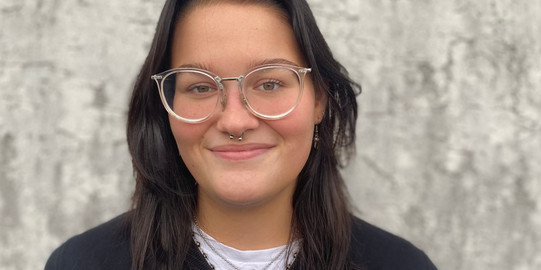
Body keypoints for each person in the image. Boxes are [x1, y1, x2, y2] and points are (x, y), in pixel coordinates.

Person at [45, 0, 438, 269]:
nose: (235, 121)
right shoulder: (82, 263)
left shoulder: (400, 264)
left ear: (319, 99)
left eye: (268, 84)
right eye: (200, 87)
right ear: (165, 107)